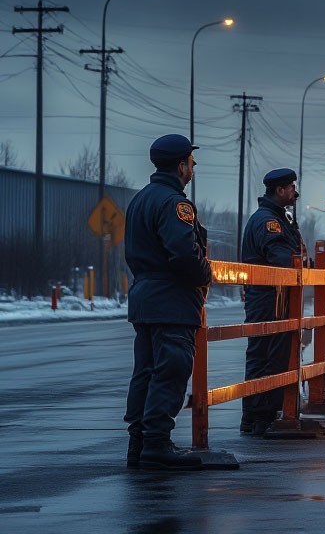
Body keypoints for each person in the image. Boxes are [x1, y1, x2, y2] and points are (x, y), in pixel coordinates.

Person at [123, 134, 215, 469]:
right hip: (171, 300)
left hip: (146, 298)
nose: (194, 166)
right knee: (171, 369)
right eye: (191, 161)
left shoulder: (141, 199)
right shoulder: (175, 203)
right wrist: (205, 273)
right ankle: (157, 444)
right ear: (180, 165)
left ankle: (139, 443)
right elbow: (183, 256)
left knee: (145, 372)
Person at [238, 167, 306, 436]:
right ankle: (259, 416)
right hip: (269, 298)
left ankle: (260, 416)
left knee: (269, 354)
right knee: (268, 356)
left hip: (272, 297)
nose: (294, 193)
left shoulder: (279, 218)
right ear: (279, 190)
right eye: (291, 188)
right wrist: (300, 263)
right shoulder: (269, 222)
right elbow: (282, 258)